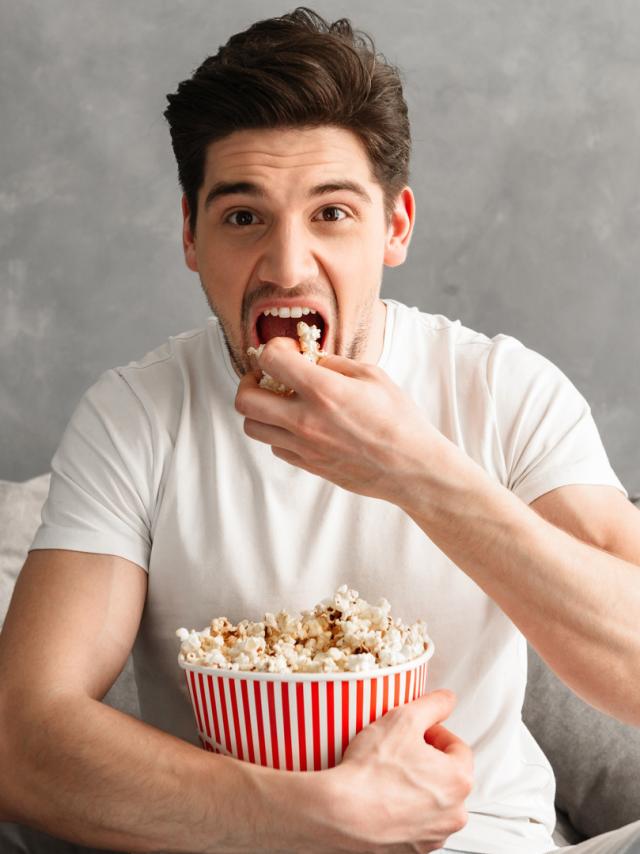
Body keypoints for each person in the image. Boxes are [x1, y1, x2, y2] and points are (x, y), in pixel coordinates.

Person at [1, 7, 639, 854]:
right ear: (190, 236)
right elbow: (20, 741)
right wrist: (328, 815)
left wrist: (411, 468)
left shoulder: (503, 388)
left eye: (332, 214)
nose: (288, 265)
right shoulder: (134, 417)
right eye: (242, 217)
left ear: (396, 227)